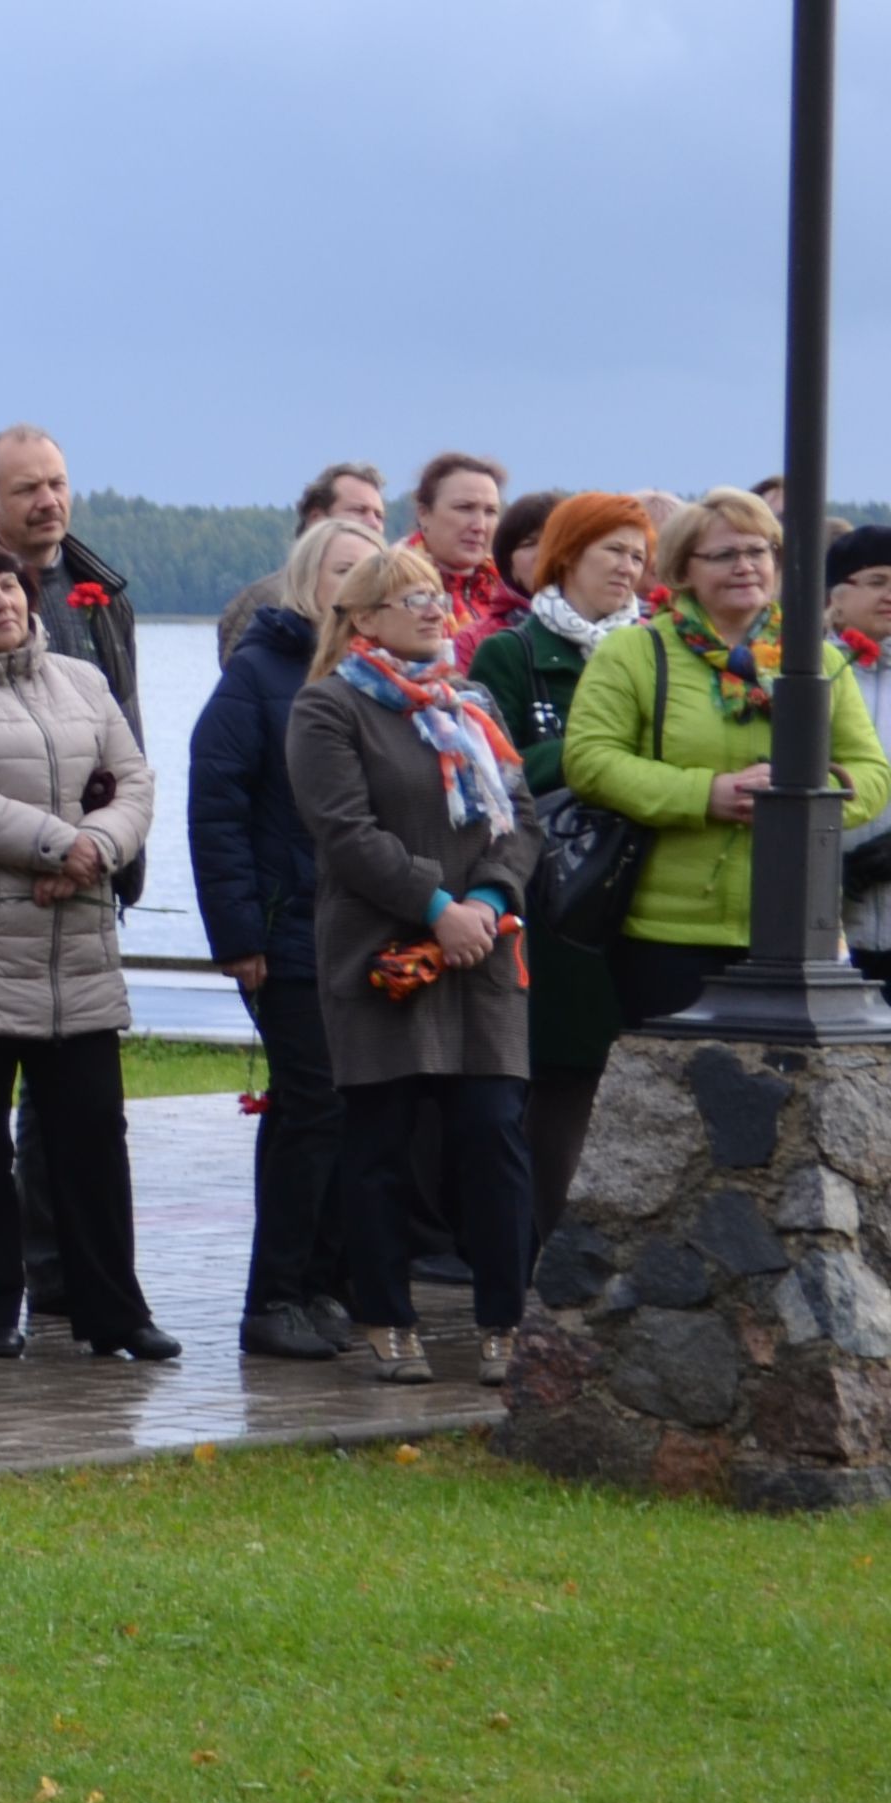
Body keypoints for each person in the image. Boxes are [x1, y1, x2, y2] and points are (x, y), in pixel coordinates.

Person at [0, 534, 169, 1362]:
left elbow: (135, 782)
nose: (5, 604)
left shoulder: (83, 681)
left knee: (93, 1133)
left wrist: (99, 847)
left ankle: (113, 1312)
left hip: (77, 950)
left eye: (12, 590)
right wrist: (62, 847)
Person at [288, 544, 542, 1388]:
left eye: (439, 597)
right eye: (412, 599)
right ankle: (387, 1317)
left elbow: (521, 820)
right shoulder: (328, 709)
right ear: (362, 618)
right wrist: (439, 908)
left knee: (493, 1132)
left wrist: (494, 904)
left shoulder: (471, 701)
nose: (436, 611)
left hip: (483, 954)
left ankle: (506, 1317)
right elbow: (347, 833)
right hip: (384, 953)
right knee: (382, 1143)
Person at [567, 487, 891, 1031]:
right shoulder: (636, 651)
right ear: (682, 569)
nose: (746, 566)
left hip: (801, 929)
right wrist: (706, 795)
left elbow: (873, 772)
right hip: (669, 933)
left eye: (759, 551)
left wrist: (815, 798)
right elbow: (591, 760)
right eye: (724, 555)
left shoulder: (820, 659)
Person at [197, 516, 383, 1360]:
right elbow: (218, 807)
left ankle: (326, 1284)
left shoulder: (388, 676)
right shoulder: (258, 673)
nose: (354, 588)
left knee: (360, 1110)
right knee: (313, 1105)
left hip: (372, 931)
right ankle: (273, 1296)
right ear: (309, 578)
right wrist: (238, 934)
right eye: (341, 571)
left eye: (370, 574)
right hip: (289, 931)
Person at [468, 492, 657, 1243]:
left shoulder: (659, 649)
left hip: (647, 888)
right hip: (559, 894)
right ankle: (546, 1261)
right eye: (613, 550)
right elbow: (496, 765)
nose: (629, 568)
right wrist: (605, 759)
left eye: (640, 556)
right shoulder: (509, 653)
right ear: (568, 553)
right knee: (560, 1080)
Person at [222, 461, 390, 662]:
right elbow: (244, 678)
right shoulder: (266, 598)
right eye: (359, 510)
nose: (373, 524)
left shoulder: (389, 597)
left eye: (379, 516)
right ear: (316, 519)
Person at [834, 527, 891, 995]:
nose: (890, 595)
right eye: (876, 581)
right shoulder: (798, 670)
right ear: (836, 592)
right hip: (829, 926)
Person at [407, 453, 522, 659]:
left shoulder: (512, 590)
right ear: (423, 514)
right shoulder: (392, 587)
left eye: (490, 512)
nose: (479, 526)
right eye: (464, 508)